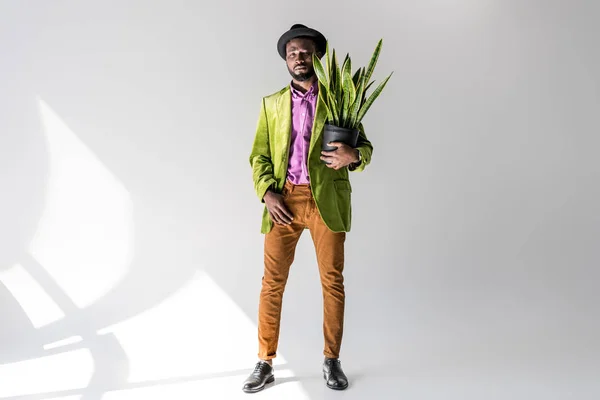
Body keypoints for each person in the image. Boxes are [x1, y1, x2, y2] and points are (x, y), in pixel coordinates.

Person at [243, 23, 373, 393]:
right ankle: (264, 362)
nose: (299, 58)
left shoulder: (338, 100)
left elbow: (365, 148)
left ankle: (331, 360)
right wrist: (267, 192)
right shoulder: (271, 104)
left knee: (332, 282)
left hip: (325, 203)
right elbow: (259, 156)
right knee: (272, 284)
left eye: (305, 51)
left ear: (318, 56)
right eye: (292, 53)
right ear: (286, 59)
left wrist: (354, 156)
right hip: (283, 202)